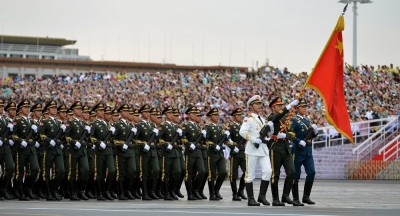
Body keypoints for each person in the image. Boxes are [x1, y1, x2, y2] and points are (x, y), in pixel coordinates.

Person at [239, 95, 274, 206]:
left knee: (268, 171)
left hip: (263, 149)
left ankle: (261, 196)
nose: (260, 106)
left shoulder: (262, 119)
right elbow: (242, 132)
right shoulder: (248, 118)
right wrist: (254, 140)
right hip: (252, 149)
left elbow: (267, 134)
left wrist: (270, 131)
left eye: (260, 104)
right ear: (251, 106)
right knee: (250, 175)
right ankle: (250, 199)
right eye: (257, 104)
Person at [267, 97, 300, 206]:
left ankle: (285, 195)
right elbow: (278, 116)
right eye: (278, 106)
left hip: (286, 148)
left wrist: (286, 135)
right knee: (275, 175)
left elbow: (293, 133)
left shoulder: (286, 118)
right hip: (275, 148)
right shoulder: (272, 117)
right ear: (273, 107)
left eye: (282, 105)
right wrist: (289, 106)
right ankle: (275, 199)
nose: (280, 107)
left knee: (292, 172)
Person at [290, 98, 318, 205]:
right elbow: (290, 134)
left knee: (312, 172)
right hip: (298, 150)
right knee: (296, 174)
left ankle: (306, 196)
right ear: (297, 109)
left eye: (305, 107)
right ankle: (295, 198)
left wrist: (315, 132)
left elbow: (311, 136)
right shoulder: (294, 120)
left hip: (308, 151)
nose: (305, 108)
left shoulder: (308, 121)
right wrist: (298, 141)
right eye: (302, 107)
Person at [38, 100, 66, 201]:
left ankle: (54, 190)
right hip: (48, 149)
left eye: (55, 108)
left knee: (61, 171)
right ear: (48, 109)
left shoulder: (59, 122)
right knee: (46, 172)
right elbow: (41, 134)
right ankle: (48, 192)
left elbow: (62, 136)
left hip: (58, 150)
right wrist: (49, 140)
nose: (55, 110)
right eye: (53, 108)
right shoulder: (44, 122)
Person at [12, 100, 40, 200]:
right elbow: (13, 135)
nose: (27, 109)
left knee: (35, 169)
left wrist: (36, 132)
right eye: (25, 107)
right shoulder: (17, 121)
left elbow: (35, 136)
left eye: (28, 107)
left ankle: (27, 188)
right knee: (19, 172)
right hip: (21, 149)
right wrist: (20, 140)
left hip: (31, 149)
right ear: (20, 109)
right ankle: (20, 193)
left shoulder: (31, 121)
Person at [89, 102, 116, 201]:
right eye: (100, 110)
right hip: (99, 151)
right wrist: (98, 143)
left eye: (102, 110)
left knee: (112, 171)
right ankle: (100, 193)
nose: (102, 112)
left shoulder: (108, 125)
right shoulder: (94, 124)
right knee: (100, 173)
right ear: (96, 112)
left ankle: (107, 190)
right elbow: (91, 137)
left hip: (108, 150)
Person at [64, 101, 90, 201]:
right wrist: (74, 142)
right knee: (73, 172)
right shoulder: (70, 123)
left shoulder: (83, 123)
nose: (80, 111)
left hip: (82, 150)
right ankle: (73, 192)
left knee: (85, 170)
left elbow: (86, 138)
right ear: (74, 110)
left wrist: (87, 134)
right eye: (78, 109)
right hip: (73, 150)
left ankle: (81, 190)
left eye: (80, 109)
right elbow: (66, 136)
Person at [181, 106, 206, 200]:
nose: (195, 115)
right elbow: (182, 137)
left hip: (198, 151)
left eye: (196, 113)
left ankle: (195, 190)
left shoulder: (197, 126)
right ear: (189, 115)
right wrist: (188, 144)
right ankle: (190, 193)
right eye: (193, 113)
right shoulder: (186, 125)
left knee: (202, 171)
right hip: (190, 151)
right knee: (189, 173)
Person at [204, 107, 227, 201]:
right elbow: (206, 140)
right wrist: (214, 145)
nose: (217, 116)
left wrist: (226, 135)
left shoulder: (219, 127)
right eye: (215, 115)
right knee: (212, 174)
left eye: (217, 115)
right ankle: (212, 193)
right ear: (210, 116)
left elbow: (223, 139)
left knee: (223, 172)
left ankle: (216, 190)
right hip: (212, 153)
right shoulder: (208, 127)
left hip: (220, 153)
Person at [159, 106, 182, 200]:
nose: (172, 115)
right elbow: (159, 139)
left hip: (175, 152)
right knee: (166, 174)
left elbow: (178, 141)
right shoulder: (163, 126)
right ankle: (167, 193)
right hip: (167, 153)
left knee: (178, 171)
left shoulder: (175, 126)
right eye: (170, 113)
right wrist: (166, 144)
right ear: (166, 114)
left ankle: (172, 191)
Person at [227, 108, 247, 201]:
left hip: (242, 152)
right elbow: (226, 140)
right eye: (238, 115)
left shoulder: (242, 126)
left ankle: (241, 190)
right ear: (234, 116)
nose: (240, 117)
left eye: (241, 115)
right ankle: (235, 194)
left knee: (246, 172)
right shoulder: (231, 127)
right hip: (235, 152)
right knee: (233, 175)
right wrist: (232, 147)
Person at [0, 99, 15, 200]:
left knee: (11, 167)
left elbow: (9, 134)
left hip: (5, 147)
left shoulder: (5, 119)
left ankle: (3, 188)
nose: (1, 108)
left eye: (2, 106)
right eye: (0, 107)